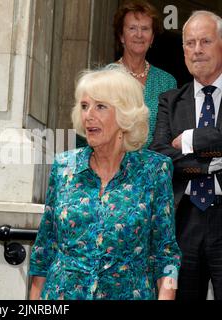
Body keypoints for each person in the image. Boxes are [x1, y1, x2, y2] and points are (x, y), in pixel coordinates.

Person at [29, 66, 181, 300]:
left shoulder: (154, 170)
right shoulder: (64, 166)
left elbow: (167, 254)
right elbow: (45, 247)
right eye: (84, 106)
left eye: (100, 106)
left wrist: (167, 294)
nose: (88, 115)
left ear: (125, 115)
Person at [150, 11, 222, 300]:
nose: (197, 50)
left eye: (205, 41)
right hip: (183, 221)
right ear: (182, 52)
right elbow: (160, 155)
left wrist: (191, 138)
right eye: (190, 43)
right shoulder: (170, 100)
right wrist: (206, 167)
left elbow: (177, 151)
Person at [113, 0, 177, 146]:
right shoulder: (101, 78)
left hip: (153, 167)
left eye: (145, 29)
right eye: (132, 28)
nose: (139, 35)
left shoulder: (167, 82)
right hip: (110, 166)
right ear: (121, 36)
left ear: (152, 38)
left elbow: (171, 135)